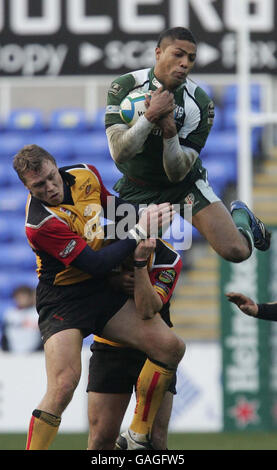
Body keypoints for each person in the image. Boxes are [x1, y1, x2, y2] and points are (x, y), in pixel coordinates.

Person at [12, 144, 185, 450]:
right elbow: (95, 264)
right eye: (38, 186)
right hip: (64, 297)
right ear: (27, 187)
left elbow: (116, 210)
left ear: (56, 165)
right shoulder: (39, 224)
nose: (50, 188)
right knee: (64, 384)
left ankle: (137, 436)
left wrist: (151, 213)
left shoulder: (85, 174)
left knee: (170, 348)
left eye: (52, 177)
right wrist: (138, 232)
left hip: (102, 288)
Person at [105, 26, 271, 263]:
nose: (185, 63)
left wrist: (169, 129)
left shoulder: (201, 103)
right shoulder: (124, 87)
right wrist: (150, 117)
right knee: (125, 265)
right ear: (158, 53)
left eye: (191, 58)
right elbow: (119, 153)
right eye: (178, 54)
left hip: (185, 185)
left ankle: (242, 217)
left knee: (237, 252)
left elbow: (176, 172)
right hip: (137, 187)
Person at [87, 237, 182, 450]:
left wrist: (140, 268)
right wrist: (113, 282)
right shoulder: (101, 247)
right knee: (101, 439)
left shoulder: (168, 257)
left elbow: (148, 310)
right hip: (110, 349)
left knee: (156, 440)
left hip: (156, 353)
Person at [1, 285, 42, 352]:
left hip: (35, 354)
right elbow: (5, 336)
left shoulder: (37, 314)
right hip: (12, 354)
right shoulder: (10, 314)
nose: (21, 300)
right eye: (19, 297)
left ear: (30, 297)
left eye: (24, 297)